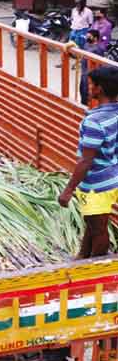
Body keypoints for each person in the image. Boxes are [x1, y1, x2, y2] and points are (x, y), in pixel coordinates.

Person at [58, 65, 118, 259]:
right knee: (93, 223)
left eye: (91, 84)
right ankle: (82, 258)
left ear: (99, 89)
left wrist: (68, 190)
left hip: (96, 184)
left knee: (99, 229)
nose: (88, 87)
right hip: (112, 178)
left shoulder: (94, 121)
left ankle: (96, 266)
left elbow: (85, 161)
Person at [80, 29, 107, 105]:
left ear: (95, 38)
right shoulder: (86, 45)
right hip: (84, 73)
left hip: (92, 75)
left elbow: (100, 64)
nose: (87, 38)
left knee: (89, 94)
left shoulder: (98, 49)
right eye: (87, 36)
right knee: (82, 92)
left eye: (89, 36)